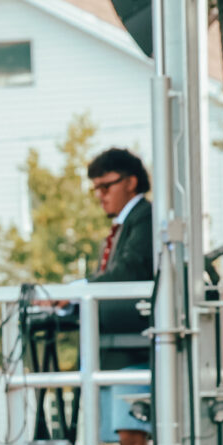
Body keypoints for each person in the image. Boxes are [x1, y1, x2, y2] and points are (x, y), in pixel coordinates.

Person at [88, 147, 154, 343]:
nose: (100, 195)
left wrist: (80, 290)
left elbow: (129, 270)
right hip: (115, 343)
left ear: (131, 182)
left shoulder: (146, 217)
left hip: (133, 344)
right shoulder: (123, 225)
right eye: (96, 189)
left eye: (106, 187)